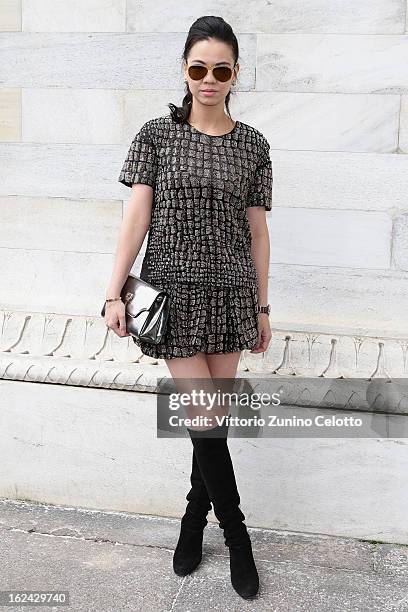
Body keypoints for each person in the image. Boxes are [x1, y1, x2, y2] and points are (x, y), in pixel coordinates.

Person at [103, 15, 273, 600]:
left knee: (211, 425)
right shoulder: (155, 136)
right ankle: (239, 536)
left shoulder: (253, 146)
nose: (208, 79)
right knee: (205, 422)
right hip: (171, 295)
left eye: (220, 70)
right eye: (198, 68)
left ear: (234, 76)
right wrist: (112, 290)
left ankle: (192, 522)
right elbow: (135, 218)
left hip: (230, 295)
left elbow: (257, 234)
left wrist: (262, 307)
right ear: (184, 70)